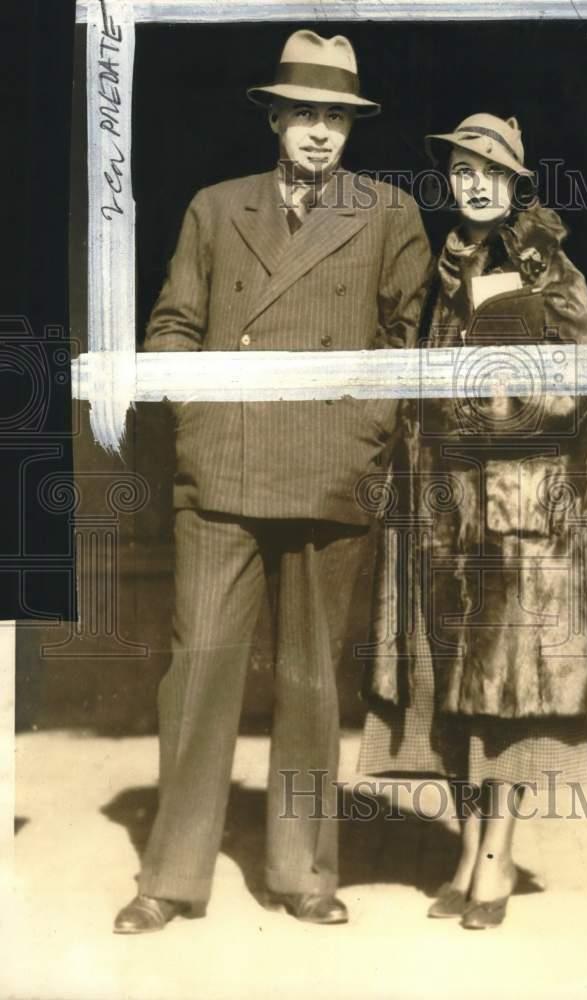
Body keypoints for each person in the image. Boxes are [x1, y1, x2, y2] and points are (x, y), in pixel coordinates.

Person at [114, 29, 430, 933]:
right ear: (275, 120)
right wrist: (200, 417)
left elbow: (402, 347)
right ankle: (170, 879)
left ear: (351, 128)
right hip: (223, 469)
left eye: (337, 117)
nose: (320, 132)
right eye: (304, 114)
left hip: (331, 470)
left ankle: (303, 872)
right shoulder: (217, 208)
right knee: (197, 672)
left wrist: (360, 438)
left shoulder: (390, 213)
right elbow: (173, 325)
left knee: (311, 681)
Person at [359, 113, 587, 929]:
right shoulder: (444, 268)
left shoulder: (548, 266)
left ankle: (497, 856)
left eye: (491, 171)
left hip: (519, 507)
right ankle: (468, 848)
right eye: (463, 170)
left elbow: (581, 381)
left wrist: (490, 407)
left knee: (506, 685)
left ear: (515, 184)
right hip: (444, 505)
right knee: (449, 684)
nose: (474, 184)